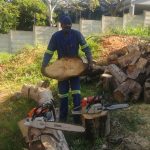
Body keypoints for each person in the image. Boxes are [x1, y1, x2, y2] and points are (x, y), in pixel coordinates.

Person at [41, 15, 93, 123]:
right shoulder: (56, 36)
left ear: (70, 25)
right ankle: (63, 119)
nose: (67, 29)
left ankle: (77, 119)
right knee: (63, 94)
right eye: (65, 27)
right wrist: (44, 66)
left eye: (68, 27)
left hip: (75, 69)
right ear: (61, 25)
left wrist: (90, 61)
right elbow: (49, 52)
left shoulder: (77, 34)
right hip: (62, 69)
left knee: (76, 93)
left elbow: (86, 48)